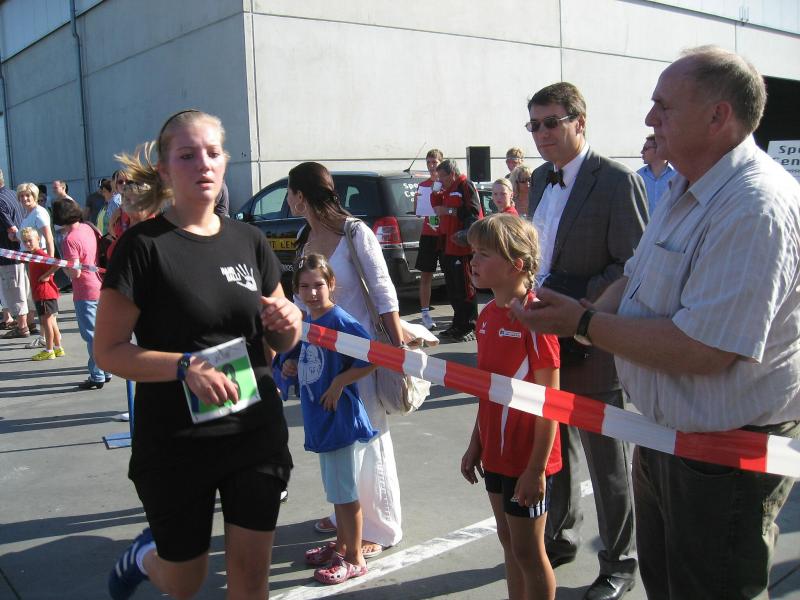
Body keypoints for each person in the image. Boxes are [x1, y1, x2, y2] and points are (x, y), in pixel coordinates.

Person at [510, 45, 800, 600]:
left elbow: (705, 349)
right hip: (670, 436)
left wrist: (583, 324)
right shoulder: (689, 188)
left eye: (663, 107)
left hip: (722, 457)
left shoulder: (753, 206)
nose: (649, 119)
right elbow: (636, 276)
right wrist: (584, 314)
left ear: (718, 116)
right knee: (668, 585)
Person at [94, 109, 302, 600]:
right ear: (165, 170)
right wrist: (183, 366)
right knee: (185, 580)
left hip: (254, 431)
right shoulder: (142, 247)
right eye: (187, 155)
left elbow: (279, 340)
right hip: (176, 440)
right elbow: (108, 351)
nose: (202, 164)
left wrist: (289, 323)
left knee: (251, 578)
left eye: (212, 153)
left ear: (225, 161)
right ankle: (143, 557)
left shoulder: (249, 240)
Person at [526, 81, 647, 600]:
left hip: (592, 339)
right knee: (556, 446)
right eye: (534, 125)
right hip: (545, 338)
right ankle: (562, 533)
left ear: (580, 122)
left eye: (551, 122)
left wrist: (579, 306)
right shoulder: (539, 178)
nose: (541, 133)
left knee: (607, 462)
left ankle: (620, 563)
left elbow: (634, 267)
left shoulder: (617, 181)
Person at [285, 161, 404, 557]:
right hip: (322, 359)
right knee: (339, 439)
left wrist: (396, 348)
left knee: (369, 436)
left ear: (301, 196)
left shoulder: (354, 232)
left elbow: (383, 290)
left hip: (361, 352)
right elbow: (300, 301)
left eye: (290, 193)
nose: (288, 201)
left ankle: (381, 527)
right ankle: (346, 517)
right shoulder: (305, 236)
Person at [461, 213, 561, 600]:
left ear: (515, 265)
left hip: (527, 460)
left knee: (528, 552)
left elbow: (552, 404)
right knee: (508, 543)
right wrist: (476, 443)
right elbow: (487, 390)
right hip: (496, 455)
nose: (473, 261)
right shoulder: (487, 316)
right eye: (473, 252)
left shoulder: (536, 319)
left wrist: (536, 469)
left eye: (483, 254)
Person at [288, 254, 378, 585]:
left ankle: (354, 558)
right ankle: (341, 545)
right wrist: (289, 366)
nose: (312, 293)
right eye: (304, 287)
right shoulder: (306, 322)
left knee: (345, 494)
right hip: (320, 419)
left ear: (332, 284)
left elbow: (372, 356)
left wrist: (340, 381)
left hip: (339, 419)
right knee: (336, 491)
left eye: (318, 285)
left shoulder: (340, 320)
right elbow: (298, 358)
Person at [52, 198, 110, 390]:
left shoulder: (69, 240)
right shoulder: (87, 228)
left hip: (84, 290)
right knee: (102, 333)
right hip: (99, 284)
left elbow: (74, 272)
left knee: (91, 335)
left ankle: (97, 374)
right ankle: (106, 370)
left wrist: (63, 266)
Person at [435, 159, 482, 341]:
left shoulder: (465, 185)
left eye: (442, 176)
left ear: (452, 174)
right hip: (448, 246)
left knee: (465, 288)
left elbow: (473, 212)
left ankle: (470, 325)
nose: (440, 180)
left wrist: (450, 212)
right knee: (453, 289)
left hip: (462, 248)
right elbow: (437, 208)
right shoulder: (446, 189)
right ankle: (458, 324)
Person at [17, 182, 55, 341]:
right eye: (22, 196)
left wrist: (50, 266)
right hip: (31, 260)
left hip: (40, 260)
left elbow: (49, 238)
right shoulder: (28, 213)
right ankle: (46, 337)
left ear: (34, 196)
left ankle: (46, 338)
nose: (25, 199)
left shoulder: (39, 213)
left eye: (28, 195)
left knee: (44, 301)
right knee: (38, 300)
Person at [19, 227, 63, 360]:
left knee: (46, 323)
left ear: (38, 239)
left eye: (30, 240)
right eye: (25, 241)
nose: (27, 243)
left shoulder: (39, 254)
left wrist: (46, 275)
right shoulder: (33, 255)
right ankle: (58, 348)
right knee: (52, 322)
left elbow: (57, 263)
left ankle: (49, 350)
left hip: (45, 294)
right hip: (43, 294)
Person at [413, 148, 444, 330]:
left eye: (435, 162)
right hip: (428, 235)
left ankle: (459, 314)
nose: (432, 166)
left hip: (444, 234)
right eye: (429, 163)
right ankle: (425, 313)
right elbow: (418, 213)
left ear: (441, 163)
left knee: (452, 275)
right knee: (426, 275)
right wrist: (416, 201)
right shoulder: (423, 185)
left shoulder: (446, 184)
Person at [0, 168, 30, 338]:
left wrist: (14, 236)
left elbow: (12, 229)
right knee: (22, 288)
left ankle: (22, 326)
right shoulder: (12, 194)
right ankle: (27, 322)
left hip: (9, 253)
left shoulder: (0, 200)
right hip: (20, 252)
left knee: (15, 290)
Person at [637, 134, 675, 214]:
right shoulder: (638, 176)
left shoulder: (678, 176)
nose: (642, 152)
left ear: (659, 149)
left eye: (645, 149)